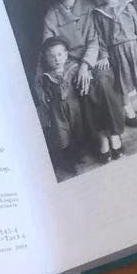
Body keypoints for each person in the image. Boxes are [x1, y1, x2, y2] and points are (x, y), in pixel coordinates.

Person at [40, 0, 125, 163]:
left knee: (102, 81)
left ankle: (114, 134)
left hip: (93, 58)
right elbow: (49, 48)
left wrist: (86, 65)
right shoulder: (51, 15)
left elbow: (94, 39)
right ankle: (100, 137)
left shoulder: (88, 7)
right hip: (67, 64)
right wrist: (74, 68)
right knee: (81, 87)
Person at [32, 37, 85, 175]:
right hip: (58, 112)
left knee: (78, 130)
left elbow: (82, 84)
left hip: (75, 107)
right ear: (46, 59)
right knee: (62, 135)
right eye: (52, 57)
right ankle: (69, 161)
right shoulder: (46, 76)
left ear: (66, 54)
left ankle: (79, 154)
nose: (57, 59)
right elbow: (44, 93)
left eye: (60, 55)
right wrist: (45, 97)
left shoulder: (73, 69)